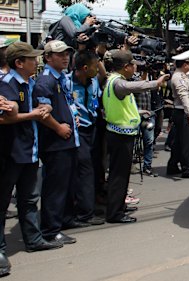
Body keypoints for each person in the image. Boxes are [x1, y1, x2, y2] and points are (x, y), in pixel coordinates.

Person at [0, 42, 63, 278]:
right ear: (19, 63)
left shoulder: (29, 83)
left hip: (29, 151)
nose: (36, 62)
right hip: (11, 153)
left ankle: (34, 239)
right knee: (3, 202)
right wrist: (34, 114)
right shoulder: (7, 84)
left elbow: (37, 104)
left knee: (29, 199)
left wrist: (43, 107)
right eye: (31, 59)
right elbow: (7, 118)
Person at [102, 50, 169, 223]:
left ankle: (119, 206)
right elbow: (134, 87)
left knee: (121, 174)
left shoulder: (115, 81)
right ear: (126, 67)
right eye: (133, 65)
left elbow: (122, 106)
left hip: (121, 134)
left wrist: (138, 112)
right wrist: (156, 83)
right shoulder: (117, 83)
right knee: (119, 176)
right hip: (120, 136)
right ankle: (115, 213)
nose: (134, 68)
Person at [34, 40, 80, 245]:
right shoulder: (46, 80)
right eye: (60, 54)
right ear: (48, 57)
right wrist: (58, 127)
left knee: (66, 185)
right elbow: (43, 113)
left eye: (67, 54)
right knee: (55, 187)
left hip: (67, 141)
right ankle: (50, 230)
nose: (65, 57)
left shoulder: (60, 78)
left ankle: (63, 221)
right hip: (56, 143)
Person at [66, 50, 105, 226]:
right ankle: (84, 213)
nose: (98, 69)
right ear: (84, 68)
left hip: (93, 129)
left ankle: (89, 205)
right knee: (84, 171)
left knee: (94, 169)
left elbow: (95, 103)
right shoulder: (67, 83)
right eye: (95, 66)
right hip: (77, 131)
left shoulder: (94, 81)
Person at [167, 51, 189, 178]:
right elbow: (184, 97)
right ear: (185, 64)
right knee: (187, 142)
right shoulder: (178, 77)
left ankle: (173, 166)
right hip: (183, 111)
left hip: (183, 111)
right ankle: (187, 169)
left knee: (178, 143)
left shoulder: (184, 75)